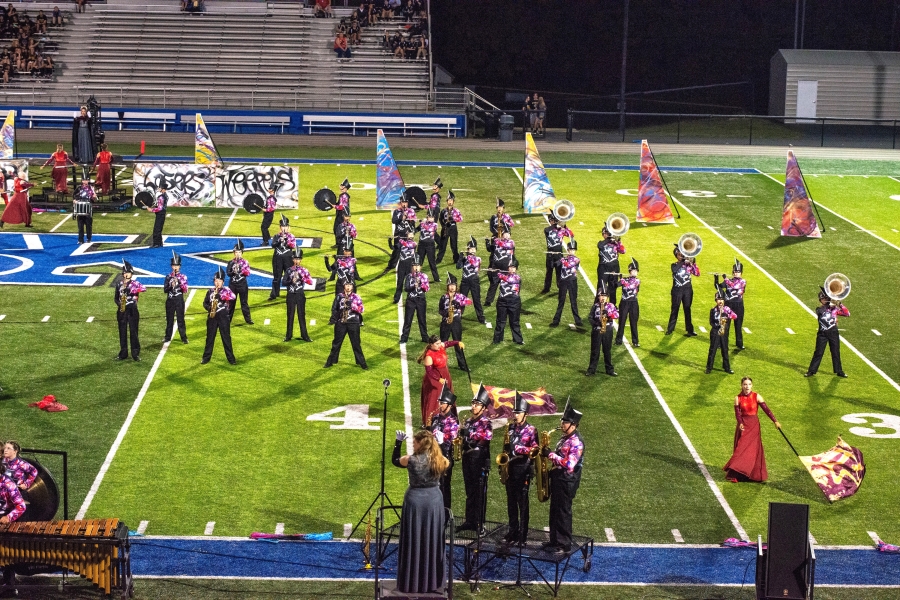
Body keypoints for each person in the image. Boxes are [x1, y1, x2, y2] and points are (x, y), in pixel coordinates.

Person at [391, 429, 448, 594]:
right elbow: (447, 461)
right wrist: (442, 444)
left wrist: (398, 442)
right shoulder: (439, 460)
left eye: (414, 442)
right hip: (434, 502)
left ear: (420, 444)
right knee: (433, 539)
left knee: (413, 539)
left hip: (415, 502)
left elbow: (395, 460)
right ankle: (432, 581)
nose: (413, 444)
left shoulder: (410, 460)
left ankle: (412, 581)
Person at [542, 400, 584, 554]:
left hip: (567, 481)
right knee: (554, 510)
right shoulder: (564, 438)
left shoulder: (576, 442)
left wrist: (550, 455)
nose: (562, 424)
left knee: (563, 512)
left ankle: (564, 544)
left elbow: (569, 464)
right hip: (558, 478)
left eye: (565, 422)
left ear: (573, 425)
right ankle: (554, 540)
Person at [723, 377, 781, 483]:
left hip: (754, 425)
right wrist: (740, 423)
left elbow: (766, 410)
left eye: (749, 384)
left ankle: (752, 475)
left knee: (752, 451)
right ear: (741, 385)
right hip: (744, 425)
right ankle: (736, 474)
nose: (747, 387)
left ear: (752, 385)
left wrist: (775, 421)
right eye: (745, 384)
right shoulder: (737, 398)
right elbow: (737, 413)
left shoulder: (756, 396)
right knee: (741, 449)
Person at [502, 393, 538, 545]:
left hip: (523, 469)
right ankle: (513, 531)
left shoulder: (531, 430)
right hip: (510, 468)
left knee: (522, 504)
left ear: (525, 414)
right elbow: (505, 447)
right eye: (515, 412)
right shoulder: (510, 428)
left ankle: (522, 536)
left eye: (518, 413)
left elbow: (535, 449)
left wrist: (519, 449)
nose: (515, 415)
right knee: (511, 502)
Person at [457, 384, 493, 534]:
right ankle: (470, 520)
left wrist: (468, 438)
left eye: (477, 404)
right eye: (473, 403)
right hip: (467, 459)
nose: (473, 406)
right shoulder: (469, 421)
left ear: (484, 407)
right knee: (470, 491)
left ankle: (480, 523)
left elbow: (485, 440)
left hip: (479, 461)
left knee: (479, 492)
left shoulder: (486, 423)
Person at [417, 335, 463, 426]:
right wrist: (438, 379)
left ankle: (450, 418)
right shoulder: (429, 356)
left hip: (445, 375)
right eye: (437, 344)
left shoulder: (440, 346)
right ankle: (430, 423)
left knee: (448, 397)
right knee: (434, 400)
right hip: (434, 380)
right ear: (431, 345)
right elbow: (429, 371)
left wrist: (457, 342)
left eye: (439, 343)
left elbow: (447, 343)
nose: (439, 345)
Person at [805, 287, 850, 378]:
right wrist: (831, 302)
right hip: (822, 334)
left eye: (826, 298)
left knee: (835, 352)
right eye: (823, 299)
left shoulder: (835, 309)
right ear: (820, 300)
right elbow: (822, 313)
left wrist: (839, 304)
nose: (825, 300)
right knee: (818, 352)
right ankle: (811, 371)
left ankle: (839, 371)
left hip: (833, 333)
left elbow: (847, 314)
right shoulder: (819, 309)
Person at [325, 282, 368, 369]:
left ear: (352, 287)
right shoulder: (339, 296)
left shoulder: (356, 297)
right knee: (336, 343)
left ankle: (362, 363)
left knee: (356, 344)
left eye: (350, 285)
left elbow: (361, 309)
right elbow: (334, 308)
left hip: (353, 322)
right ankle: (330, 361)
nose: (348, 287)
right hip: (341, 323)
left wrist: (352, 306)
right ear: (344, 286)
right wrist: (336, 319)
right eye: (347, 285)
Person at [429, 386, 459, 512]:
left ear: (450, 405)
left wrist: (442, 442)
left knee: (444, 487)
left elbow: (451, 441)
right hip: (433, 458)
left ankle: (445, 514)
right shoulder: (435, 418)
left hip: (445, 458)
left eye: (443, 403)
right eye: (440, 402)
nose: (440, 405)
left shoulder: (453, 422)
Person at [202, 268, 237, 365]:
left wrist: (221, 296)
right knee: (210, 338)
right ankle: (206, 358)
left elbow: (233, 297)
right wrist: (209, 308)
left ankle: (231, 359)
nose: (217, 283)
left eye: (220, 281)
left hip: (223, 317)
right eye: (216, 281)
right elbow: (204, 303)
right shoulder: (210, 291)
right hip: (212, 317)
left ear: (223, 282)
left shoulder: (227, 290)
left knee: (226, 338)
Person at [438, 272, 471, 372]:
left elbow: (469, 302)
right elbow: (440, 310)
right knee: (442, 344)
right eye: (450, 285)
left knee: (458, 343)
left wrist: (458, 303)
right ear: (448, 286)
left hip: (456, 322)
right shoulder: (444, 297)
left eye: (454, 285)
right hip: (446, 322)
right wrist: (446, 315)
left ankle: (463, 365)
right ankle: (440, 364)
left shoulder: (460, 296)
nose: (452, 287)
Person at [114, 261, 146, 362]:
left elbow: (143, 289)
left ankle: (135, 353)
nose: (126, 274)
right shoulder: (119, 284)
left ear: (131, 274)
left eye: (128, 272)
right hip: (122, 311)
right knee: (122, 332)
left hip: (132, 310)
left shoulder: (135, 284)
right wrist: (120, 305)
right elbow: (115, 298)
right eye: (125, 272)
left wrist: (130, 290)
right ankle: (123, 353)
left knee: (134, 332)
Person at [666, 244, 700, 336]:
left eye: (683, 254)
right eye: (680, 254)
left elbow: (697, 273)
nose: (682, 256)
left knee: (687, 309)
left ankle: (690, 330)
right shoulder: (674, 265)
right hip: (677, 290)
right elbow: (675, 270)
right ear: (676, 256)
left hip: (687, 290)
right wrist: (683, 261)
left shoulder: (689, 266)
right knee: (675, 309)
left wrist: (693, 263)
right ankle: (670, 329)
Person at [587, 281, 619, 376]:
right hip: (597, 330)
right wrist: (596, 323)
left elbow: (617, 315)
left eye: (605, 295)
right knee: (595, 351)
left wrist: (608, 314)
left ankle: (609, 369)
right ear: (598, 296)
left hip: (607, 331)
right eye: (601, 295)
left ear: (607, 297)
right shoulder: (595, 306)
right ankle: (591, 369)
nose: (603, 297)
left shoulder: (611, 306)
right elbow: (590, 317)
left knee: (607, 350)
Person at [282, 247, 313, 343]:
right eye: (295, 259)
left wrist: (303, 277)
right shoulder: (288, 270)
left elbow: (310, 282)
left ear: (301, 260)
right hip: (291, 294)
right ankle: (288, 335)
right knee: (290, 315)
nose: (297, 261)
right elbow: (283, 282)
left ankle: (305, 335)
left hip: (300, 294)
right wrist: (291, 280)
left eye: (298, 259)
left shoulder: (304, 270)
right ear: (293, 259)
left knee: (301, 315)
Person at [716, 259, 747, 350]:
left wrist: (725, 278)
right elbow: (719, 288)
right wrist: (716, 279)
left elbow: (734, 286)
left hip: (739, 305)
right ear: (733, 272)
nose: (737, 273)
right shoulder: (728, 281)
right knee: (725, 325)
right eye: (735, 271)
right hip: (728, 305)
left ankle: (739, 343)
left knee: (738, 325)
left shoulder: (743, 281)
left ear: (741, 273)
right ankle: (722, 343)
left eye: (738, 272)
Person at [550, 241, 582, 327]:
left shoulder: (576, 259)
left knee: (573, 301)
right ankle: (556, 321)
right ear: (567, 250)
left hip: (572, 281)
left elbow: (569, 265)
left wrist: (562, 259)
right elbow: (553, 265)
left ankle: (578, 320)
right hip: (563, 281)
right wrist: (553, 256)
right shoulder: (563, 259)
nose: (572, 251)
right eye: (570, 250)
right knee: (561, 301)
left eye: (573, 250)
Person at [493, 258, 523, 345]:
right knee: (500, 321)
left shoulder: (517, 277)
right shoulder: (502, 276)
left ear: (516, 268)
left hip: (514, 302)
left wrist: (500, 275)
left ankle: (518, 339)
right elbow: (493, 282)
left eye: (513, 267)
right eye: (510, 267)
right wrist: (493, 273)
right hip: (502, 302)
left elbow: (510, 280)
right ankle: (497, 339)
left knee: (514, 322)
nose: (512, 269)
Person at [400, 256, 430, 344]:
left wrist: (421, 282)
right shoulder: (409, 276)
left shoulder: (424, 276)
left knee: (422, 319)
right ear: (411, 267)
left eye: (418, 265)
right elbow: (406, 288)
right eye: (414, 266)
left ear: (420, 267)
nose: (416, 267)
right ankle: (404, 337)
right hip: (411, 300)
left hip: (421, 300)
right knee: (408, 320)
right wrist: (414, 285)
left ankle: (424, 337)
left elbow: (427, 288)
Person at [706, 289, 737, 375]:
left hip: (724, 333)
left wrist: (728, 316)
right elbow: (711, 322)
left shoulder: (727, 309)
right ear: (716, 300)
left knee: (725, 350)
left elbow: (735, 316)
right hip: (715, 332)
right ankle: (709, 367)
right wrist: (718, 326)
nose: (720, 301)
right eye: (718, 299)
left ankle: (727, 367)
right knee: (713, 350)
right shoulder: (713, 310)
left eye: (722, 299)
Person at [541, 214, 574, 294]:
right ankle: (546, 288)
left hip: (559, 254)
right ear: (550, 221)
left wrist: (564, 226)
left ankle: (560, 287)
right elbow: (548, 230)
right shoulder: (547, 229)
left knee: (559, 272)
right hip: (550, 254)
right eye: (552, 220)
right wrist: (556, 225)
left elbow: (571, 235)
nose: (554, 222)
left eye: (555, 220)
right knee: (549, 272)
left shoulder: (562, 230)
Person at [456, 236, 485, 324]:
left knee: (476, 300)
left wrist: (467, 257)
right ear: (468, 250)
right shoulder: (465, 259)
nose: (472, 250)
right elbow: (458, 267)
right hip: (465, 281)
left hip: (474, 281)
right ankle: (458, 315)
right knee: (461, 299)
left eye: (473, 248)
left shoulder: (478, 259)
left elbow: (474, 264)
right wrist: (460, 257)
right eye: (470, 249)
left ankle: (481, 317)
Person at [163, 251, 189, 344]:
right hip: (170, 300)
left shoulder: (183, 277)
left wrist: (179, 281)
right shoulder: (168, 277)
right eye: (174, 265)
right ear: (171, 266)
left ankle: (184, 337)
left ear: (179, 266)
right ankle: (167, 336)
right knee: (169, 319)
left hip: (179, 300)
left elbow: (185, 290)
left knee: (180, 319)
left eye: (177, 265)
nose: (175, 267)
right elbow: (165, 290)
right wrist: (171, 284)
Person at [226, 239, 254, 325]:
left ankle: (248, 319)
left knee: (244, 303)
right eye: (236, 252)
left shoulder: (245, 262)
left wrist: (240, 269)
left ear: (242, 253)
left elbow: (247, 273)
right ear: (234, 253)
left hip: (242, 285)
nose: (238, 254)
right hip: (233, 285)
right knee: (231, 303)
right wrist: (233, 271)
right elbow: (228, 273)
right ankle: (228, 320)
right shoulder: (231, 262)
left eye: (239, 252)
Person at [485, 226, 514, 307]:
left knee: (505, 285)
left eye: (508, 234)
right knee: (494, 284)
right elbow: (490, 249)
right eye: (505, 234)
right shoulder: (496, 242)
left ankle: (505, 300)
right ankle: (488, 301)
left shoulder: (511, 243)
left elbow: (511, 253)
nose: (507, 236)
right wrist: (487, 242)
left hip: (506, 267)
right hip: (496, 266)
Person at [269, 214, 296, 299]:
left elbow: (293, 246)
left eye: (286, 226)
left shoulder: (291, 236)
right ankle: (274, 294)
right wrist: (279, 241)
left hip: (288, 259)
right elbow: (273, 245)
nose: (284, 228)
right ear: (280, 227)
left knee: (289, 275)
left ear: (288, 227)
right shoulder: (276, 236)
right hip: (277, 259)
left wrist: (286, 240)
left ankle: (290, 292)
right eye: (282, 226)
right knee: (277, 276)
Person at [596, 225, 625, 305]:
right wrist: (609, 239)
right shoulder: (601, 243)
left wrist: (618, 241)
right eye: (605, 233)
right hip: (603, 268)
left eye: (608, 233)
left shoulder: (615, 244)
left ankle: (612, 307)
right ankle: (597, 306)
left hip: (614, 267)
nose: (606, 235)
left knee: (613, 287)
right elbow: (600, 246)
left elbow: (623, 251)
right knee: (601, 287)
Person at [615, 258, 640, 347]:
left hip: (633, 303)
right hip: (624, 303)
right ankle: (618, 340)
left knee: (633, 322)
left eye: (636, 271)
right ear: (630, 271)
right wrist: (617, 278)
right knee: (621, 322)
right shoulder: (624, 280)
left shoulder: (637, 281)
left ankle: (635, 341)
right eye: (634, 270)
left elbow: (632, 287)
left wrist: (623, 280)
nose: (636, 272)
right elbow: (615, 285)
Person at [387, 196, 414, 269]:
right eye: (403, 202)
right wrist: (401, 217)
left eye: (406, 202)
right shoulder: (397, 211)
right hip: (398, 234)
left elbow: (413, 222)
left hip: (407, 234)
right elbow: (393, 221)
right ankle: (391, 265)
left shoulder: (411, 211)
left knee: (409, 250)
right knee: (396, 250)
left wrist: (408, 219)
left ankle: (410, 266)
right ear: (401, 203)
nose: (404, 204)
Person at [436, 190, 462, 264]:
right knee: (442, 245)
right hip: (445, 229)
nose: (450, 202)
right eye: (449, 200)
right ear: (447, 201)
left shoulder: (456, 211)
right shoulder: (444, 211)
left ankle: (456, 259)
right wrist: (443, 226)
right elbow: (440, 219)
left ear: (453, 201)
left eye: (451, 200)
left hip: (453, 228)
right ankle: (438, 259)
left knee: (454, 245)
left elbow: (460, 219)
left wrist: (453, 219)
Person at [393, 231, 417, 303]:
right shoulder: (402, 243)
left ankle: (411, 298)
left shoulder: (414, 243)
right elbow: (394, 247)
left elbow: (408, 245)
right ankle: (396, 298)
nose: (411, 236)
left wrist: (400, 240)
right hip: (402, 264)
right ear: (406, 236)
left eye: (412, 235)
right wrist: (391, 241)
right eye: (409, 235)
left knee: (410, 282)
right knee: (400, 282)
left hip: (409, 264)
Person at [416, 211, 440, 282]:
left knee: (432, 262)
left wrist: (422, 223)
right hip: (421, 245)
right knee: (419, 262)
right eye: (429, 217)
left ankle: (436, 278)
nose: (431, 219)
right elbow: (417, 229)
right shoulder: (423, 223)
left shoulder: (435, 225)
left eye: (432, 217)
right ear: (427, 217)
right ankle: (417, 277)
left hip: (430, 245)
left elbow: (430, 229)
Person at [73, 177, 96, 244]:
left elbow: (94, 198)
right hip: (80, 208)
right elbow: (74, 196)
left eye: (86, 180)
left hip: (88, 209)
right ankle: (80, 239)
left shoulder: (91, 188)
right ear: (82, 181)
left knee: (88, 225)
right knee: (80, 225)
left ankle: (89, 239)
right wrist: (74, 200)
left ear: (88, 181)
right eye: (84, 180)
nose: (85, 181)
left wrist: (94, 197)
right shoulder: (79, 188)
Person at [333, 179, 351, 249]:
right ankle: (338, 243)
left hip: (342, 215)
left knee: (338, 229)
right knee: (337, 229)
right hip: (340, 214)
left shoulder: (344, 196)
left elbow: (341, 207)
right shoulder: (342, 195)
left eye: (342, 187)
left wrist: (335, 206)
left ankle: (340, 244)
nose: (341, 188)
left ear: (345, 188)